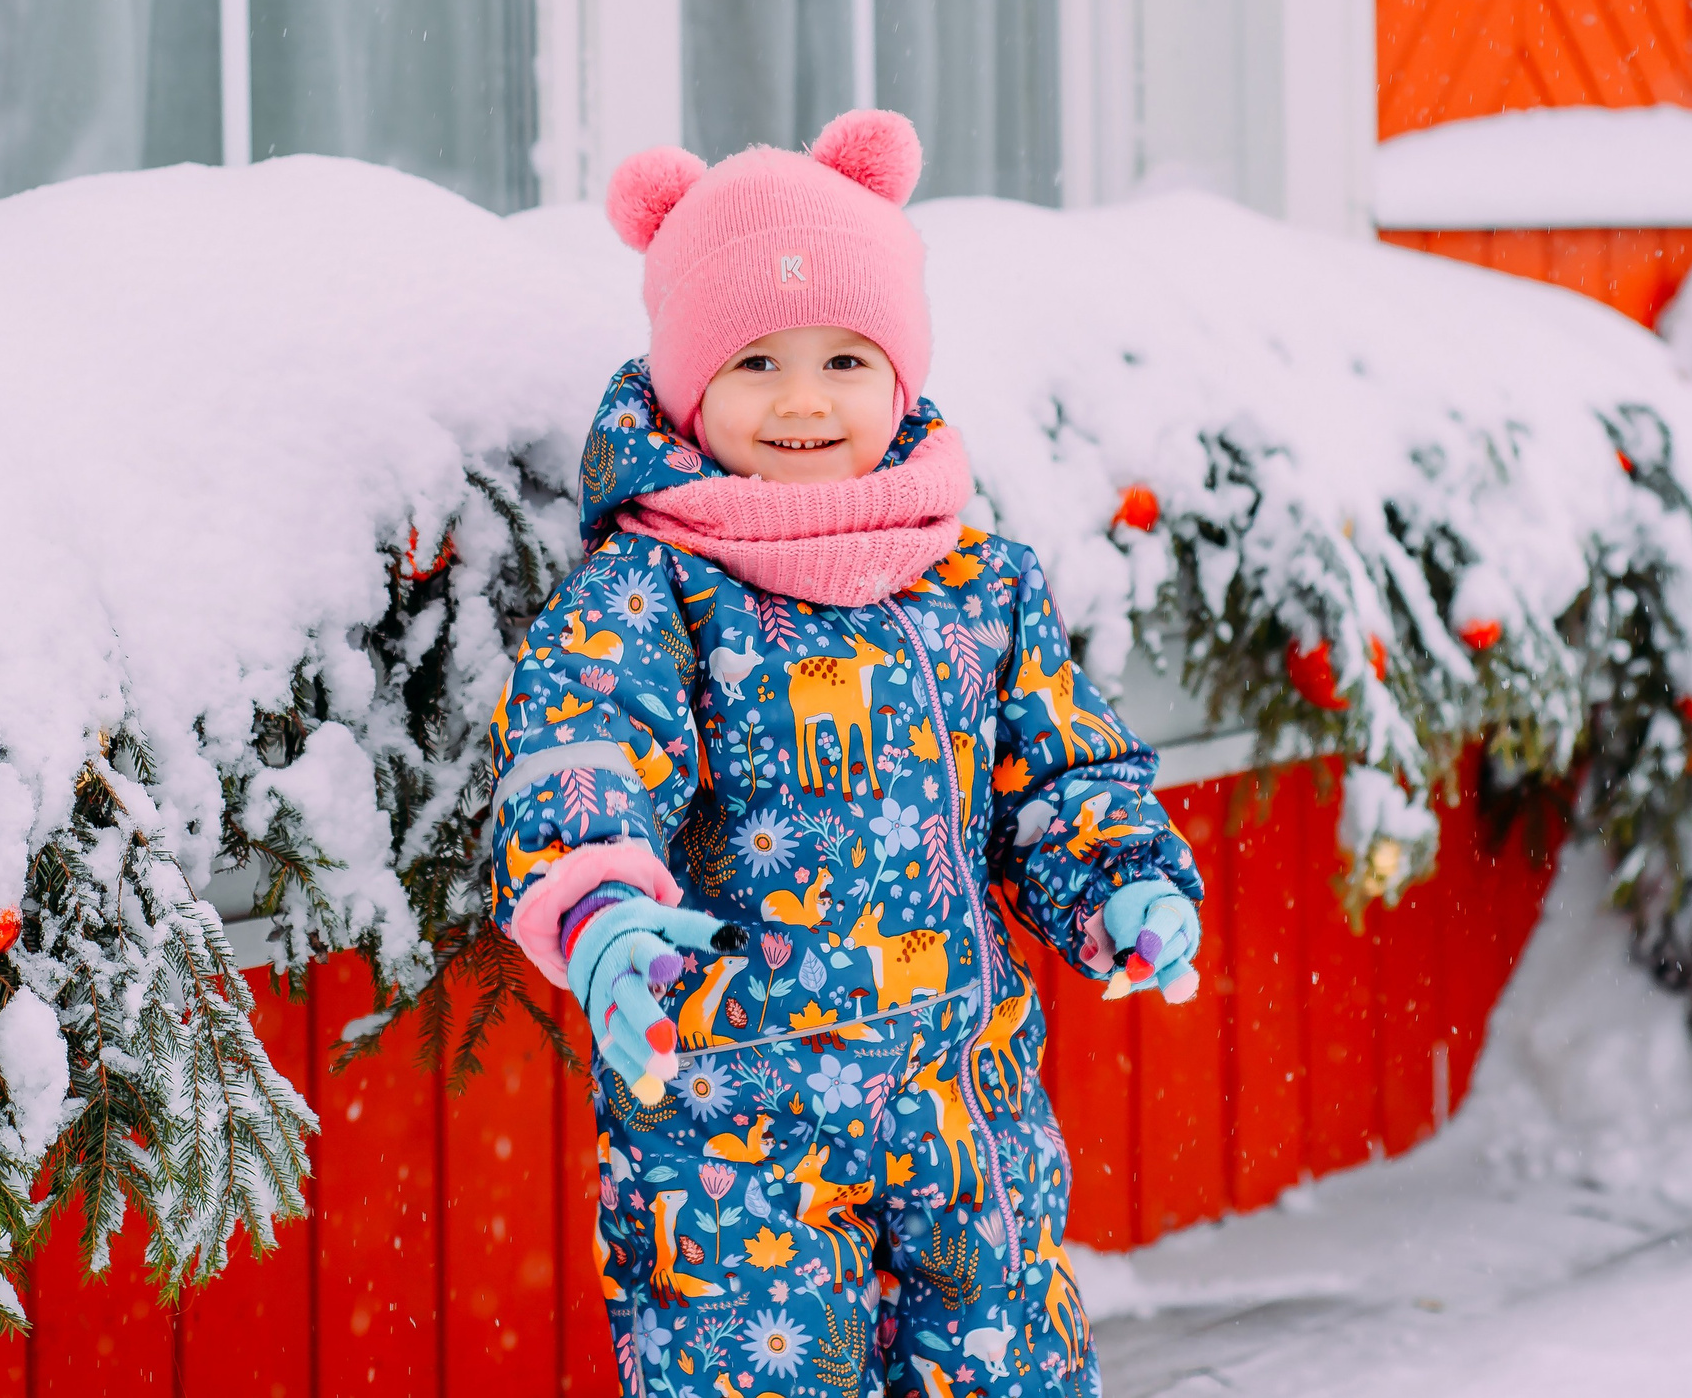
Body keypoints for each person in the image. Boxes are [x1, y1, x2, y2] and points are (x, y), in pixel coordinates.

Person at [486, 109, 1204, 1398]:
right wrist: (600, 912)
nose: (805, 398)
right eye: (755, 361)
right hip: (730, 1125)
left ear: (902, 377)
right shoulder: (652, 587)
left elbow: (1060, 776)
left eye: (845, 359)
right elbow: (584, 747)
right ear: (690, 392)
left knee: (1008, 1370)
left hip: (965, 1101)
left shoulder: (979, 581)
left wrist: (1122, 883)